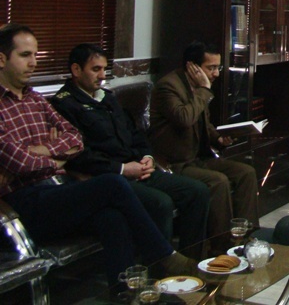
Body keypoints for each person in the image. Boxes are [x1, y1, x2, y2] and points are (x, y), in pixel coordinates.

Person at [0, 24, 192, 291]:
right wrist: (56, 157)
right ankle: (163, 256)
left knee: (112, 218)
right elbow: (19, 162)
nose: (33, 62)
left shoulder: (35, 99)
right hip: (26, 201)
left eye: (35, 55)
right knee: (113, 184)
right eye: (25, 55)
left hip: (60, 188)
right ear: (2, 59)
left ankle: (125, 293)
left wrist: (42, 149)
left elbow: (75, 139)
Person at [51, 43, 211, 259]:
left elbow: (135, 134)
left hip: (139, 169)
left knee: (198, 192)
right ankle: (160, 268)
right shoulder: (64, 105)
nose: (102, 76)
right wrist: (123, 168)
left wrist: (147, 157)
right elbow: (79, 155)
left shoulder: (107, 98)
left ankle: (191, 262)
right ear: (76, 70)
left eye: (104, 69)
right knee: (160, 203)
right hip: (109, 177)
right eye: (95, 69)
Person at [148, 41, 259, 249]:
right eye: (211, 68)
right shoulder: (168, 86)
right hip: (176, 163)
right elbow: (184, 118)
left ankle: (246, 238)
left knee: (246, 173)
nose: (216, 73)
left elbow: (203, 123)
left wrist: (218, 138)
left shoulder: (198, 88)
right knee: (218, 182)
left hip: (200, 157)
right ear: (192, 67)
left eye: (218, 67)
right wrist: (204, 90)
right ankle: (221, 246)